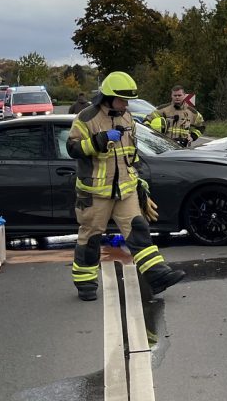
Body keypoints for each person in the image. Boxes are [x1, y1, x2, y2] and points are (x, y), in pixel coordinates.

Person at [67, 71, 185, 301]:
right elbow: (73, 149)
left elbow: (131, 152)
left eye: (127, 100)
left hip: (125, 188)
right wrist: (100, 140)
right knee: (90, 238)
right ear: (107, 97)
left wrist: (138, 178)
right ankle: (85, 284)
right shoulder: (86, 118)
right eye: (122, 99)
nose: (125, 104)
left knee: (139, 231)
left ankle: (157, 276)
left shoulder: (127, 117)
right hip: (95, 192)